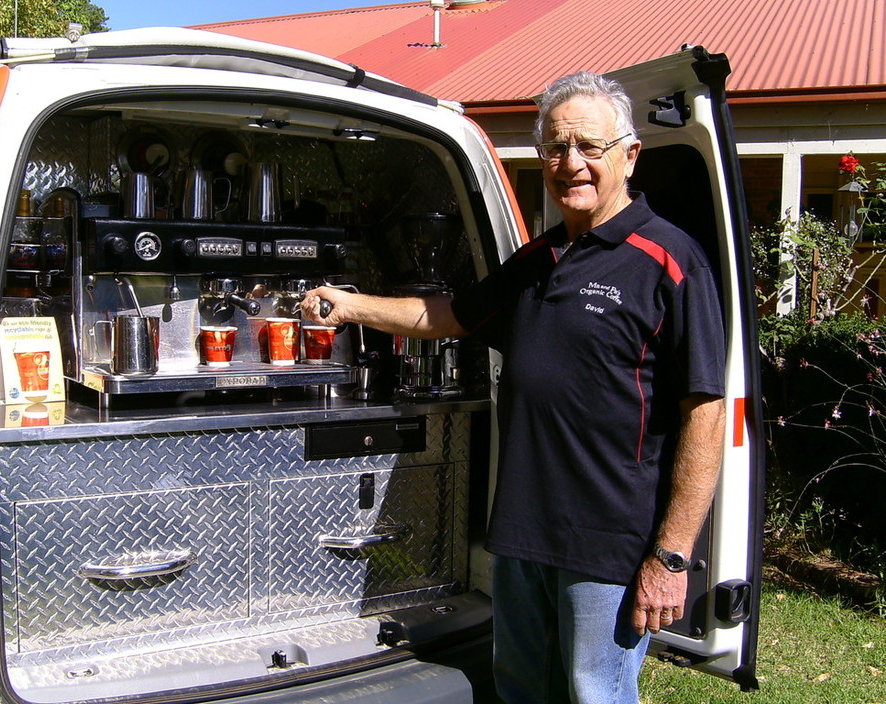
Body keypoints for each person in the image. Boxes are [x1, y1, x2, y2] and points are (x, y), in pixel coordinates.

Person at [301, 71, 726, 704]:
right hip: (524, 530)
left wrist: (669, 558)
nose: (570, 164)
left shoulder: (668, 260)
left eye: (589, 146)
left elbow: (706, 414)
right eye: (556, 147)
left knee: (595, 693)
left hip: (609, 541)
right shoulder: (540, 257)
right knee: (521, 689)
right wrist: (351, 305)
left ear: (629, 155)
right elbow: (446, 316)